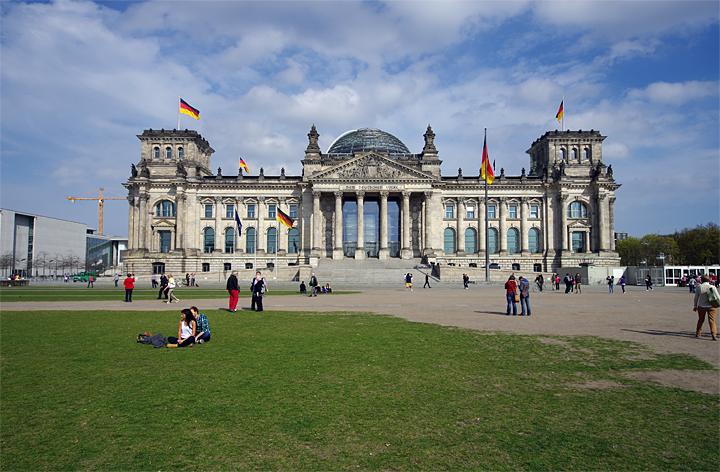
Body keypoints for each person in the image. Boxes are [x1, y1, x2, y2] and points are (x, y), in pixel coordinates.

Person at [693, 275, 717, 341]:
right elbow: (717, 296)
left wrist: (695, 306)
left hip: (702, 305)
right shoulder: (712, 287)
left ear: (701, 280)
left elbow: (696, 298)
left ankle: (698, 333)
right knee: (712, 321)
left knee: (701, 320)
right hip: (711, 305)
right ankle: (713, 334)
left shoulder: (699, 287)